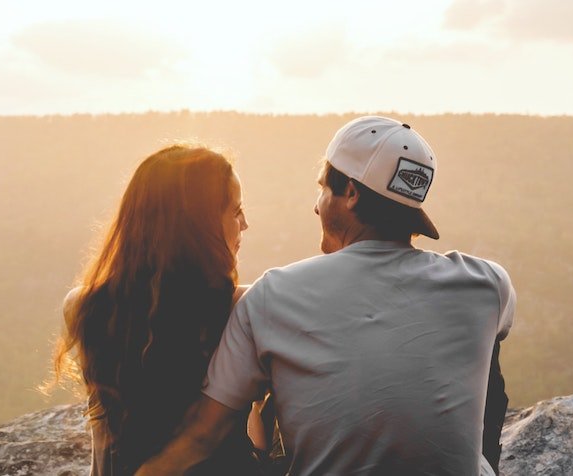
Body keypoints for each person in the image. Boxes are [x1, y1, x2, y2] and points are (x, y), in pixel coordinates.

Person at [137, 116, 516, 476]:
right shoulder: (486, 283)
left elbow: (204, 434)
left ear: (350, 193)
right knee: (488, 344)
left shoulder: (274, 295)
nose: (316, 204)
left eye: (322, 188)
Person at [51, 144, 261, 475]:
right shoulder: (245, 307)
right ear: (197, 226)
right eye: (235, 211)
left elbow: (103, 440)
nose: (245, 224)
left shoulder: (83, 307)